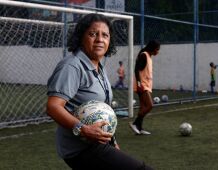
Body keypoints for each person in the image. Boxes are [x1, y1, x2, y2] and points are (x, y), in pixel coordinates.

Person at [46, 13, 153, 169]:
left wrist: (112, 142)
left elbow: (103, 109)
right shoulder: (72, 66)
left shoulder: (98, 66)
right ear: (81, 37)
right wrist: (83, 129)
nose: (100, 40)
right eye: (93, 34)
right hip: (81, 148)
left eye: (105, 35)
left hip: (97, 142)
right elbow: (53, 107)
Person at [129, 40, 160, 135]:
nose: (158, 52)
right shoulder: (144, 55)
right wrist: (139, 84)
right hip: (142, 85)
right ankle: (135, 123)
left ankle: (139, 128)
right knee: (150, 106)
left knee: (143, 107)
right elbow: (136, 70)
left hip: (147, 85)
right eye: (157, 49)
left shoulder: (149, 57)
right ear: (153, 48)